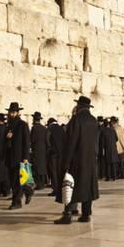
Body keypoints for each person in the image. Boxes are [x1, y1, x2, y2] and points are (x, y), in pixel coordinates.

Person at [54, 96, 99, 224]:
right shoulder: (94, 121)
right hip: (90, 160)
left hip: (76, 160)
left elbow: (70, 143)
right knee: (87, 186)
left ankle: (67, 215)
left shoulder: (76, 120)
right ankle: (86, 214)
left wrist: (66, 162)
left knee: (70, 185)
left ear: (79, 106)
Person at [5, 102, 32, 210]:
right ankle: (28, 191)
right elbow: (5, 142)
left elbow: (26, 142)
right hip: (10, 157)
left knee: (18, 180)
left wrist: (25, 157)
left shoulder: (23, 125)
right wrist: (7, 138)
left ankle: (16, 202)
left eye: (13, 112)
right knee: (14, 180)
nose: (11, 114)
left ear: (17, 112)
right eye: (10, 112)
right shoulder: (8, 126)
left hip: (20, 157)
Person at [46, 117, 65, 199]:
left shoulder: (49, 129)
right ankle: (60, 188)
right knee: (59, 171)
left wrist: (49, 149)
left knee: (53, 172)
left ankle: (55, 189)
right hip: (61, 153)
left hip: (53, 154)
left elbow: (47, 141)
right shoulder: (61, 128)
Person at [30, 111, 48, 190]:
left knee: (37, 167)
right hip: (43, 150)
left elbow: (32, 139)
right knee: (42, 167)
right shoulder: (44, 128)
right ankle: (42, 183)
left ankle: (39, 184)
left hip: (36, 150)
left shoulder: (34, 128)